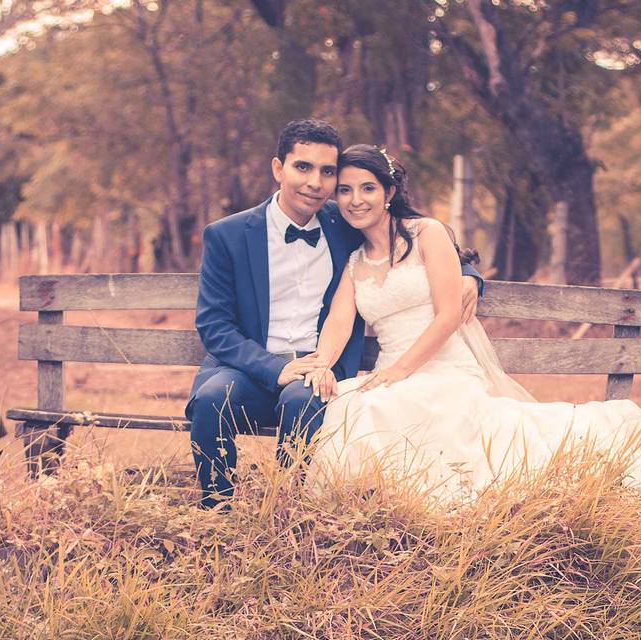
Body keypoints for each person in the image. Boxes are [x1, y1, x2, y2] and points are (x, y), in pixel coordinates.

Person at [303, 144, 641, 501]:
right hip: (392, 375)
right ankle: (369, 507)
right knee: (350, 402)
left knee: (381, 405)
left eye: (368, 188)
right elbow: (338, 320)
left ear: (389, 192)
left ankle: (425, 503)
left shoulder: (426, 233)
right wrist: (321, 363)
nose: (356, 200)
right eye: (345, 191)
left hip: (443, 368)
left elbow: (447, 317)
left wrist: (400, 371)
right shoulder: (355, 262)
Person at [187, 121, 485, 509]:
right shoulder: (227, 235)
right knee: (213, 398)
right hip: (247, 368)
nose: (316, 182)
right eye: (303, 167)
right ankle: (217, 507)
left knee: (304, 397)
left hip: (319, 369)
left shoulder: (344, 221)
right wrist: (273, 369)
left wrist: (470, 277)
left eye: (328, 172)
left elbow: (412, 236)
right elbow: (214, 325)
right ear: (279, 168)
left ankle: (285, 508)